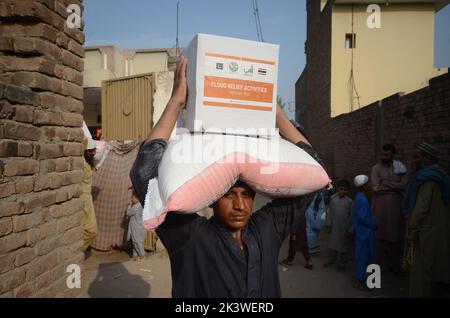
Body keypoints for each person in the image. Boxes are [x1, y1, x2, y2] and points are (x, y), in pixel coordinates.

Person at [129, 57, 324, 298]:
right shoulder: (190, 237)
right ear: (211, 198)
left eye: (246, 195)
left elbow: (315, 168)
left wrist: (274, 112)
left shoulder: (267, 229)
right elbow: (144, 174)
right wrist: (176, 102)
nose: (240, 206)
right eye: (229, 195)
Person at [403, 143, 450, 297]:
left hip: (424, 232)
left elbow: (420, 210)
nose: (414, 160)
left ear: (427, 158)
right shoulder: (440, 176)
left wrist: (412, 232)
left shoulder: (427, 180)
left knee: (420, 274)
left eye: (417, 157)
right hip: (434, 230)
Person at [370, 144, 408, 273]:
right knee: (378, 235)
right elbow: (375, 188)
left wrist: (385, 183)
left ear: (393, 154)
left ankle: (394, 265)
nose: (383, 157)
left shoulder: (400, 167)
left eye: (386, 155)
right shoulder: (375, 168)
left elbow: (404, 185)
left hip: (395, 207)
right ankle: (376, 266)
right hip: (380, 206)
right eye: (382, 154)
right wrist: (394, 186)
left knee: (394, 236)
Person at [353, 175, 377, 291]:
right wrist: (373, 224)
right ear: (364, 186)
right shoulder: (362, 199)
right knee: (364, 256)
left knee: (363, 255)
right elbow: (362, 217)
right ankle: (360, 280)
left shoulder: (358, 197)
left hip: (362, 231)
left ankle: (363, 278)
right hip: (365, 232)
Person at [324, 179, 353, 271]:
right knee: (332, 245)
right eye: (341, 189)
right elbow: (330, 213)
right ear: (337, 189)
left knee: (343, 246)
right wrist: (328, 224)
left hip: (344, 228)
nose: (342, 191)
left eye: (345, 190)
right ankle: (331, 260)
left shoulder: (350, 202)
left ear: (348, 191)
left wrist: (351, 230)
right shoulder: (333, 199)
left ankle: (341, 264)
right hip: (334, 227)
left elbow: (352, 217)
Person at [82, 137, 98, 259]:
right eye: (91, 150)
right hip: (82, 200)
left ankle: (78, 250)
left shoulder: (89, 162)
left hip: (88, 200)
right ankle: (77, 250)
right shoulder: (81, 163)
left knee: (91, 230)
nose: (94, 153)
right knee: (91, 230)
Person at [126, 187, 146, 261]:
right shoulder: (140, 205)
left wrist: (129, 205)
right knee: (135, 241)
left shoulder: (136, 207)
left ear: (137, 199)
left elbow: (128, 213)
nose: (131, 199)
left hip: (137, 227)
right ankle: (135, 256)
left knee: (137, 242)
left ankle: (142, 255)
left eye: (132, 198)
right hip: (138, 227)